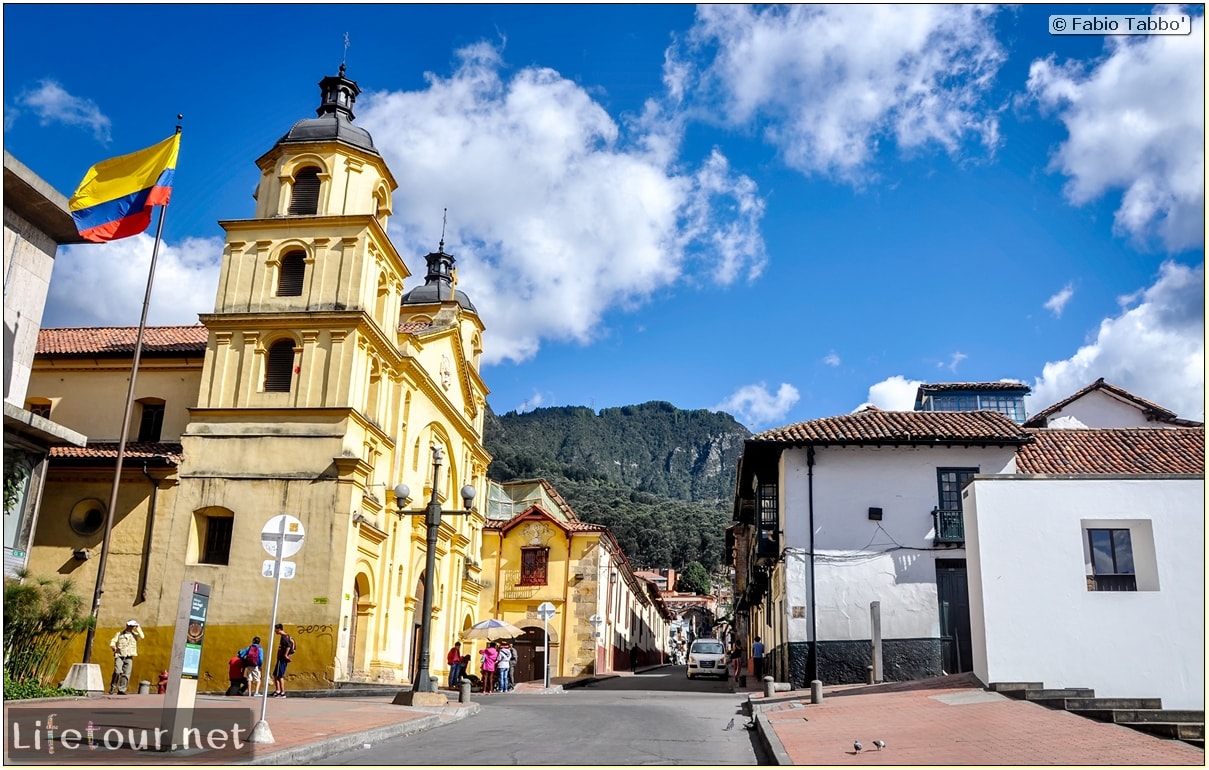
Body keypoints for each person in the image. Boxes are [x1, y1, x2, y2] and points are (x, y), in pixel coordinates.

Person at [108, 619, 144, 695]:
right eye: (131, 626)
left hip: (129, 656)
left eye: (133, 626)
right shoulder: (119, 634)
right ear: (127, 625)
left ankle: (122, 689)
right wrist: (113, 646)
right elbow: (113, 641)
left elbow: (142, 636)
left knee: (126, 674)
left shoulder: (135, 635)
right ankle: (113, 687)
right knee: (117, 671)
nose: (132, 627)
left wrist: (138, 627)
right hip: (120, 655)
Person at [271, 623, 295, 698]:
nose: (274, 631)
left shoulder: (284, 637)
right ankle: (278, 690)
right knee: (275, 675)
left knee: (280, 676)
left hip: (282, 659)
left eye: (275, 629)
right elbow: (292, 643)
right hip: (280, 659)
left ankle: (282, 692)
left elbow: (288, 646)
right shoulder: (286, 636)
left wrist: (285, 655)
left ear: (278, 629)